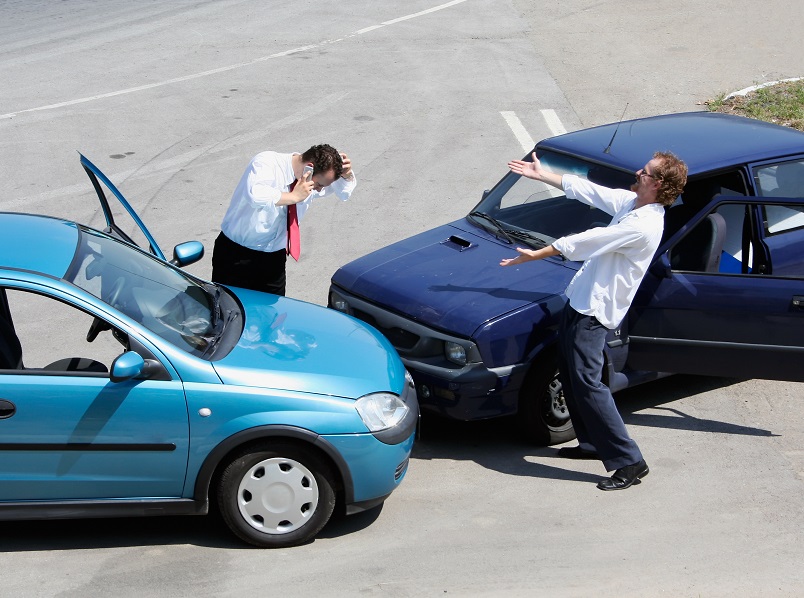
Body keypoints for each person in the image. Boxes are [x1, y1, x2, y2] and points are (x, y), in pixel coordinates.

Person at [501, 151, 687, 490]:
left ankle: (630, 461)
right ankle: (590, 444)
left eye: (644, 171)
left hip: (594, 313)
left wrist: (538, 254)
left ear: (657, 184)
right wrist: (541, 175)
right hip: (581, 301)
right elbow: (589, 190)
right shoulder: (633, 203)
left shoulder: (643, 225)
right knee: (574, 376)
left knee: (588, 384)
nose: (636, 171)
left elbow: (589, 240)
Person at [212, 144, 357, 296]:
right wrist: (293, 197)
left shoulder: (308, 182)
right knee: (228, 314)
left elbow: (344, 193)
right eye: (319, 184)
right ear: (310, 168)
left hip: (273, 259)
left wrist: (346, 175)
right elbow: (255, 195)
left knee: (274, 315)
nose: (319, 189)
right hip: (237, 256)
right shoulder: (267, 162)